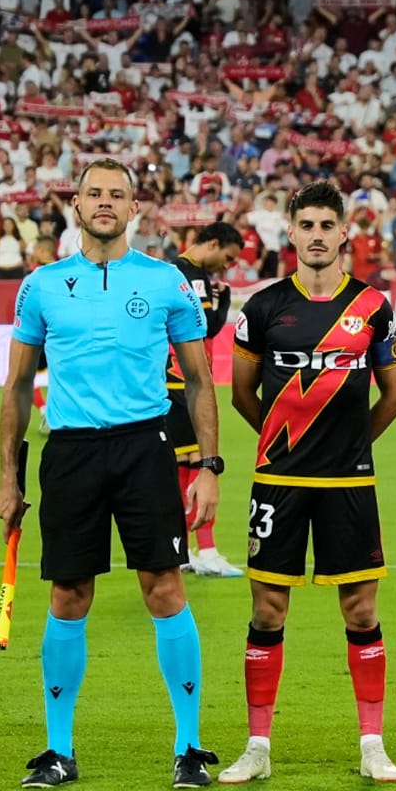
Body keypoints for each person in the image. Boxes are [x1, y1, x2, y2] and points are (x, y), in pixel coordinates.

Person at [0, 158, 223, 790]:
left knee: (164, 589)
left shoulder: (166, 282)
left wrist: (209, 466)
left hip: (145, 448)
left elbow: (201, 379)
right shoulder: (40, 285)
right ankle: (58, 751)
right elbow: (16, 388)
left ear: (133, 209)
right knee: (69, 595)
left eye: (116, 194)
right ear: (77, 205)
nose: (104, 203)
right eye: (93, 193)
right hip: (68, 452)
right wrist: (9, 477)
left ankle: (189, 746)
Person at [219, 180, 396, 786]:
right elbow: (241, 394)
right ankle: (257, 746)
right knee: (268, 609)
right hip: (278, 481)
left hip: (349, 483)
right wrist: (281, 442)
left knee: (360, 609)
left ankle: (372, 744)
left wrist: (353, 448)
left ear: (344, 233)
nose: (319, 236)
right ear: (292, 233)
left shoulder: (374, 307)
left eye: (329, 226)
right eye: (308, 226)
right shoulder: (263, 309)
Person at [165, 220, 245, 578]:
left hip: (177, 383)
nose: (226, 266)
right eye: (227, 258)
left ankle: (183, 553)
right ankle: (207, 551)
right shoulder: (190, 274)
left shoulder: (181, 271)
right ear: (213, 244)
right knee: (202, 465)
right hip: (182, 385)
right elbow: (209, 325)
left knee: (185, 470)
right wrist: (225, 298)